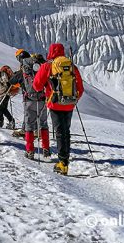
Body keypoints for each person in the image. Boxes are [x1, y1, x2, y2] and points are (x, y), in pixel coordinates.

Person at [33, 43, 85, 175]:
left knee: (59, 132)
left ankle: (63, 163)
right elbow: (80, 88)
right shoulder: (71, 66)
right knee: (66, 131)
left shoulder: (48, 66)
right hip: (69, 104)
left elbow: (37, 86)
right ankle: (65, 159)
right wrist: (73, 100)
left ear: (50, 52)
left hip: (55, 103)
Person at [9, 49, 51, 160]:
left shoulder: (23, 71)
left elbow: (12, 81)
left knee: (29, 126)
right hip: (42, 100)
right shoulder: (40, 68)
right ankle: (46, 149)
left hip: (28, 100)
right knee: (43, 124)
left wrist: (19, 74)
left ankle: (30, 151)